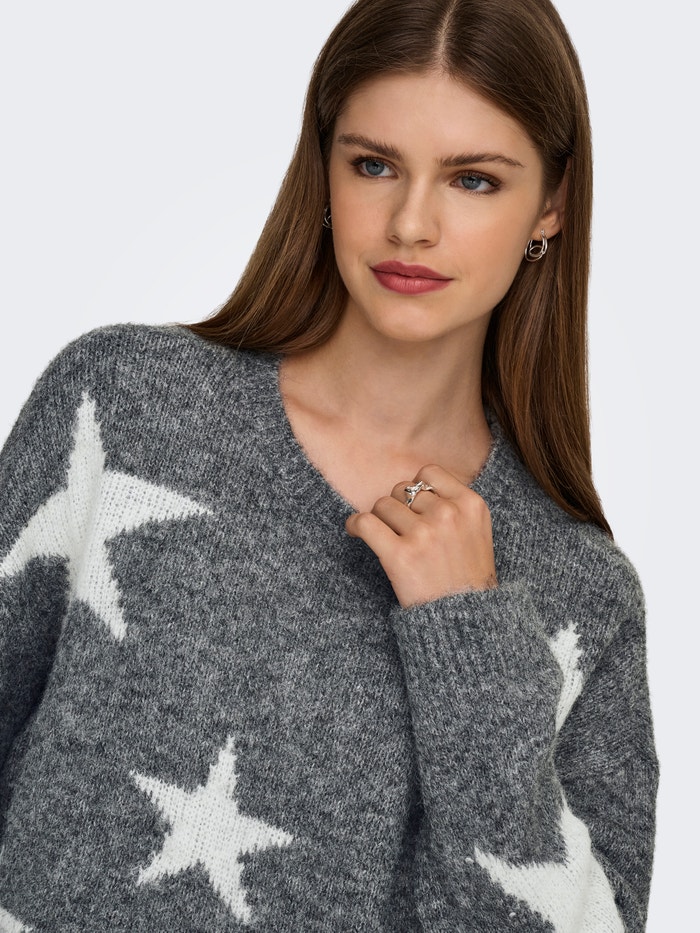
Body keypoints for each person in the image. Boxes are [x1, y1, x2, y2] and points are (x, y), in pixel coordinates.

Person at [0, 0, 658, 929]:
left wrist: (469, 637)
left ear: (549, 205)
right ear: (324, 169)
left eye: (473, 180)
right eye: (374, 165)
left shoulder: (580, 592)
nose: (411, 223)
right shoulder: (124, 407)